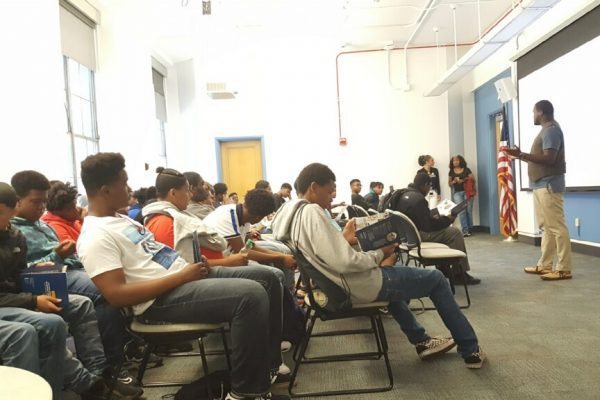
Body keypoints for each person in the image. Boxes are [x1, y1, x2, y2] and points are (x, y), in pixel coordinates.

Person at [76, 152, 290, 400]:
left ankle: (267, 369)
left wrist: (190, 268)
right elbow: (117, 296)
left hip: (182, 280)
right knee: (251, 295)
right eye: (124, 183)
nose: (129, 189)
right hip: (157, 303)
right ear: (105, 190)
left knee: (269, 278)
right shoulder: (95, 235)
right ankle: (245, 393)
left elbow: (157, 259)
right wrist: (182, 276)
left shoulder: (122, 221)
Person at [272, 163, 485, 369]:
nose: (332, 197)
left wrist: (344, 240)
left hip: (335, 286)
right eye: (329, 191)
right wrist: (381, 253)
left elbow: (325, 254)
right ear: (313, 187)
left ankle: (421, 341)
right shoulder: (312, 212)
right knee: (436, 280)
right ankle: (471, 350)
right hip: (355, 285)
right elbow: (346, 262)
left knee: (394, 281)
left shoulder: (291, 213)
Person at [0, 181, 142, 400]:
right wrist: (33, 301)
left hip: (25, 291)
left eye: (5, 216)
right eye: (35, 202)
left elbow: (19, 276)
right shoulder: (34, 227)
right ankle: (86, 384)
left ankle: (99, 372)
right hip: (11, 301)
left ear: (14, 207)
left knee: (80, 304)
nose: (41, 206)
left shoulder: (15, 234)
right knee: (41, 325)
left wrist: (37, 278)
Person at [505, 100, 572, 281]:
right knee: (547, 227)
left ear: (541, 112)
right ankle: (545, 265)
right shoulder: (546, 130)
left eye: (534, 112)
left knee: (556, 227)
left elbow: (550, 159)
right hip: (540, 184)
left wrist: (522, 154)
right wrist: (520, 155)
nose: (533, 115)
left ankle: (564, 268)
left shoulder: (551, 130)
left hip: (549, 184)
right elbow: (541, 159)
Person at [395, 173, 481, 285]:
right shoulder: (419, 199)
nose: (429, 190)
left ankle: (444, 268)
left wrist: (432, 216)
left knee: (445, 231)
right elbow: (428, 227)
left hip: (407, 236)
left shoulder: (405, 194)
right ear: (425, 185)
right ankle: (459, 274)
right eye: (429, 186)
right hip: (418, 236)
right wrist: (448, 219)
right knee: (454, 233)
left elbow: (419, 217)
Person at [203, 189, 297, 289]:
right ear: (258, 217)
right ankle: (286, 294)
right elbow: (244, 252)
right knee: (276, 274)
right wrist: (279, 257)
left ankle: (288, 292)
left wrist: (281, 255)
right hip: (217, 263)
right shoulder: (228, 216)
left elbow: (249, 245)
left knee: (282, 252)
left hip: (231, 255)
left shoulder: (244, 214)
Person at [448, 155, 476, 237]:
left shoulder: (467, 170)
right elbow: (449, 184)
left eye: (457, 160)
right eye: (454, 161)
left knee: (469, 211)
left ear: (461, 161)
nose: (455, 162)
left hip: (468, 192)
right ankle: (465, 230)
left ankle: (470, 229)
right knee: (461, 211)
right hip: (457, 193)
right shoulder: (451, 171)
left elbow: (473, 179)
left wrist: (463, 180)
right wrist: (454, 181)